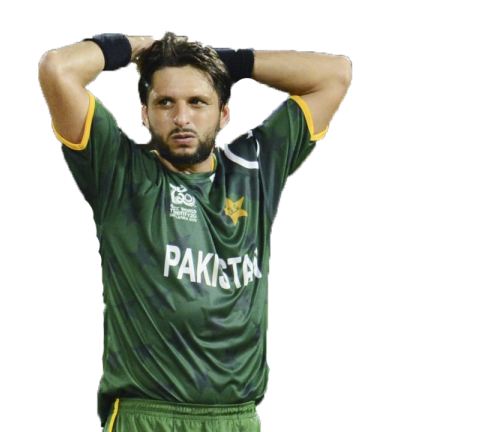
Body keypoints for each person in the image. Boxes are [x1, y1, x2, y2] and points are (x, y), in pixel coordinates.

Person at [38, 32, 351, 432]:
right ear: (145, 114)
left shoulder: (255, 168)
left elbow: (336, 73)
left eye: (198, 102)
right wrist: (138, 47)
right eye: (165, 102)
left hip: (239, 418)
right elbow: (57, 69)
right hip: (147, 417)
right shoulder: (119, 172)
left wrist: (217, 60)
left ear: (224, 113)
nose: (182, 118)